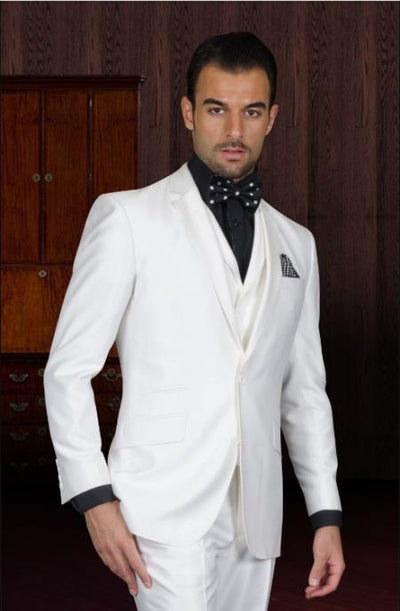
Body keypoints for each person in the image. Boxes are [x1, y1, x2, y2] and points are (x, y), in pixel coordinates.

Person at [44, 31, 345, 610]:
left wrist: (325, 513)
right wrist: (94, 497)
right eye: (215, 109)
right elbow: (67, 371)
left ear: (272, 118)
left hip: (256, 516)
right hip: (158, 507)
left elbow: (304, 392)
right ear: (187, 113)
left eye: (250, 111)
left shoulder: (297, 244)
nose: (233, 129)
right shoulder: (127, 218)